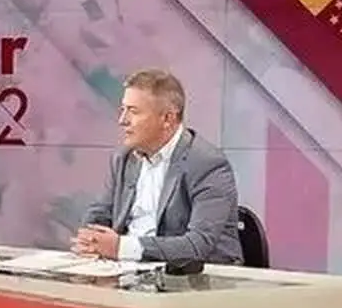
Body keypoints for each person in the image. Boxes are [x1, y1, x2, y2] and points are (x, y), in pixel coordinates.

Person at [73, 68, 243, 266]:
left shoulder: (207, 164)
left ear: (167, 119)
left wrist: (121, 248)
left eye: (133, 111)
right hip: (128, 270)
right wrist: (92, 239)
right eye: (123, 110)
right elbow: (99, 214)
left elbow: (198, 245)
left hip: (195, 276)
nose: (122, 121)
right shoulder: (124, 158)